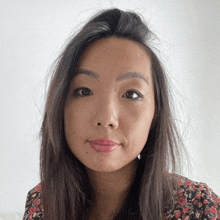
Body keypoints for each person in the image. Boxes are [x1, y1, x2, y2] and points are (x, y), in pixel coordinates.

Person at [22, 8, 220, 220]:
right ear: (60, 105)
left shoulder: (198, 207)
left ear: (156, 112)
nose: (106, 119)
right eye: (84, 91)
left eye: (131, 94)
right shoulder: (42, 202)